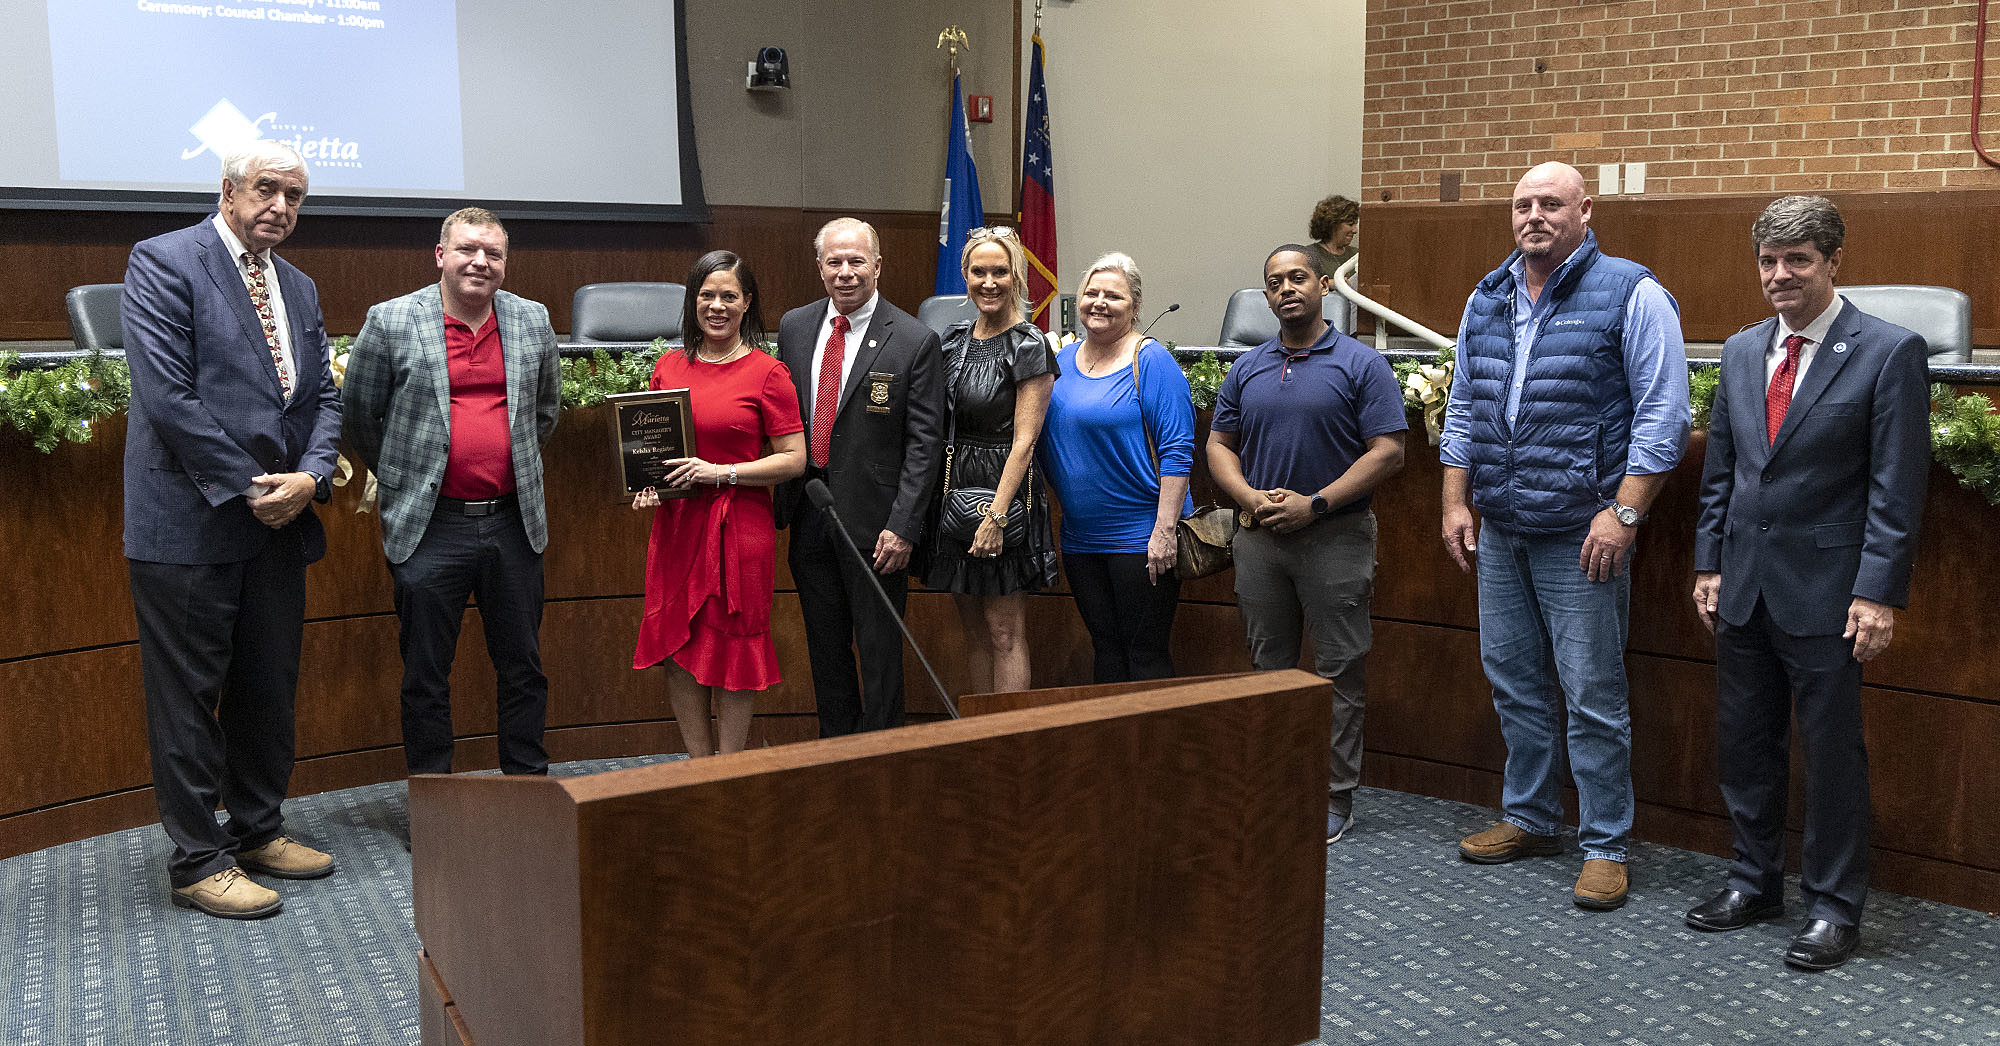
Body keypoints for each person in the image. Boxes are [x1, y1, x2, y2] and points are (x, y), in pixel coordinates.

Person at [1686, 196, 1930, 971]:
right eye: (1768, 260)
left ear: (1832, 263)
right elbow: (1722, 471)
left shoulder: (1888, 351)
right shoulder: (1740, 349)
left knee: (1831, 758)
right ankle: (1754, 881)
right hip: (1744, 586)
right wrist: (1709, 564)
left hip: (1831, 589)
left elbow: (1898, 487)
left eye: (1798, 260)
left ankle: (1833, 906)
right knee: (1746, 743)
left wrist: (1879, 591)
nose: (1780, 275)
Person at [1438, 161, 1689, 912]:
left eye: (1551, 203)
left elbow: (1664, 414)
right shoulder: (1487, 296)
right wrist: (1457, 500)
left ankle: (1606, 841)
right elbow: (1462, 408)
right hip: (1503, 527)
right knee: (1512, 679)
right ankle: (1531, 814)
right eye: (1522, 204)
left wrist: (1626, 511)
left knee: (1592, 693)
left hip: (1583, 531)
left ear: (1586, 209)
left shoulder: (1632, 292)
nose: (1534, 216)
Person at [121, 140, 342, 919]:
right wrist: (258, 488)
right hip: (189, 523)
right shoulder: (164, 260)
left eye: (295, 195)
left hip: (279, 524)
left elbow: (322, 399)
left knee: (266, 689)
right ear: (228, 190)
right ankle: (196, 860)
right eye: (267, 189)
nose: (280, 206)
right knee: (187, 701)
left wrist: (311, 478)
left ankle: (256, 830)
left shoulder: (302, 287)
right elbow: (169, 397)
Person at [341, 207, 561, 779]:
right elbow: (361, 416)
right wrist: (408, 473)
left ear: (505, 265)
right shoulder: (391, 320)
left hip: (514, 521)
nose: (479, 262)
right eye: (467, 250)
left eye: (492, 253)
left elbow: (543, 412)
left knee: (523, 668)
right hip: (429, 525)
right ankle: (435, 800)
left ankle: (528, 789)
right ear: (441, 255)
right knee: (425, 676)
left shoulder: (532, 319)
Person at [1207, 245, 1407, 845]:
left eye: (1297, 278)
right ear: (1265, 297)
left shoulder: (1361, 364)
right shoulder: (1248, 367)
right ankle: (1276, 785)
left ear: (1325, 285)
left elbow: (1390, 451)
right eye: (1274, 283)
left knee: (1339, 671)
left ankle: (1333, 796)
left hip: (1335, 536)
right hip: (1261, 538)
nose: (1286, 289)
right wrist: (1248, 499)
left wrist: (1315, 503)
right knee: (1268, 671)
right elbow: (1219, 444)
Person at [775, 218, 946, 736]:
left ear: (877, 265)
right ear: (819, 267)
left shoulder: (915, 340)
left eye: (856, 261)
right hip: (810, 514)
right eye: (834, 262)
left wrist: (905, 526)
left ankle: (884, 762)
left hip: (879, 529)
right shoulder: (795, 327)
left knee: (878, 653)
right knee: (825, 650)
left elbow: (925, 444)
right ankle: (836, 757)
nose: (845, 273)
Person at [630, 251, 806, 756]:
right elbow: (653, 451)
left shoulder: (768, 373)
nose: (717, 306)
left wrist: (722, 473)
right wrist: (647, 483)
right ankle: (697, 769)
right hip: (679, 524)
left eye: (729, 296)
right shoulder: (668, 366)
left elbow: (794, 460)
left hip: (739, 528)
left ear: (747, 303)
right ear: (693, 301)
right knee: (679, 645)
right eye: (707, 295)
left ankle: (728, 773)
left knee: (734, 648)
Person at [915, 228, 1059, 695]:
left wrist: (995, 517)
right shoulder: (951, 340)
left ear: (1016, 276)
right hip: (955, 494)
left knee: (1004, 633)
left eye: (1000, 271)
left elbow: (1025, 442)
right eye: (979, 271)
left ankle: (1010, 750)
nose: (989, 281)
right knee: (974, 632)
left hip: (1004, 495)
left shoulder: (1029, 343)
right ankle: (976, 738)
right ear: (965, 276)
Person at [1039, 253, 1194, 683]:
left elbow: (1178, 452)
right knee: (1105, 648)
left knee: (1143, 654)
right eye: (1091, 293)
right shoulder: (1060, 361)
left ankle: (1152, 750)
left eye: (1114, 295)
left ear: (1135, 306)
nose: (1100, 302)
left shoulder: (1152, 361)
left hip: (1142, 537)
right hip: (1080, 538)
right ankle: (1113, 749)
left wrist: (1165, 531)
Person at [1307, 194, 1360, 280]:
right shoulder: (1309, 256)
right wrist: (1329, 284)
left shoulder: (1356, 255)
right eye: (1350, 224)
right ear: (1332, 224)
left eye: (1355, 224)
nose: (1355, 230)